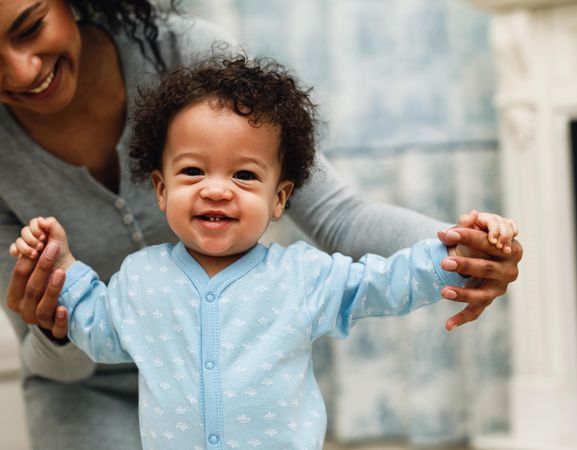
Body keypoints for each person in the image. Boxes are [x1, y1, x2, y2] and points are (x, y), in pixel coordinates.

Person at [0, 1, 522, 449]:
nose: (217, 189)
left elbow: (376, 272)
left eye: (28, 27)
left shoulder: (304, 276)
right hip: (80, 393)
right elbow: (91, 323)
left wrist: (459, 254)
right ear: (159, 187)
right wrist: (58, 273)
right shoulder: (136, 282)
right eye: (193, 171)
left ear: (281, 197)